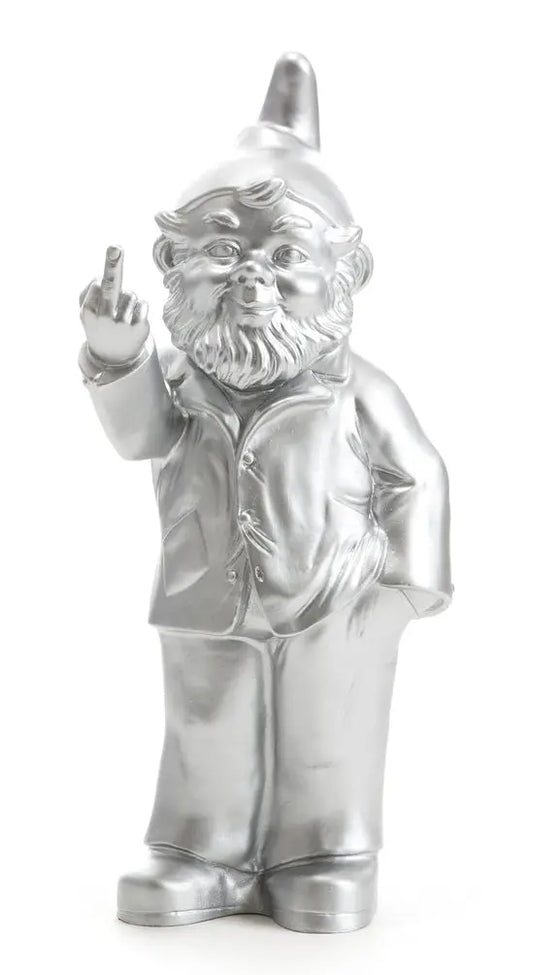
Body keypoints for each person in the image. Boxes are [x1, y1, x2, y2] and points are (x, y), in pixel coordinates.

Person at [79, 52, 451, 933]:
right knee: (205, 726)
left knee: (328, 731)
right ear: (174, 265)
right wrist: (118, 357)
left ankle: (325, 853)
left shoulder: (359, 389)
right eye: (223, 253)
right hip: (202, 593)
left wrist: (403, 586)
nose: (251, 276)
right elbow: (139, 436)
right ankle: (200, 850)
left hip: (334, 598)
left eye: (285, 256)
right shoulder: (184, 381)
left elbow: (419, 474)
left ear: (344, 275)